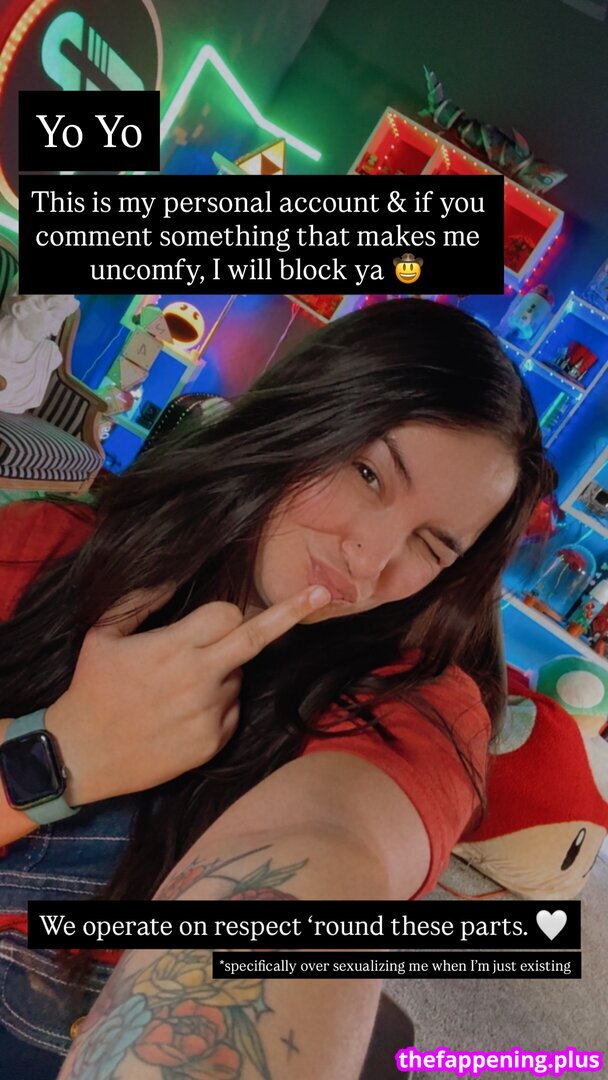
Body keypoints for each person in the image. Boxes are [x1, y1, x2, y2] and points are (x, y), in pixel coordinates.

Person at [0, 299, 552, 1079]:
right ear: (299, 420)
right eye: (368, 473)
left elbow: (328, 852)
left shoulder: (414, 704)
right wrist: (66, 751)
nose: (370, 558)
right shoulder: (38, 550)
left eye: (431, 546)